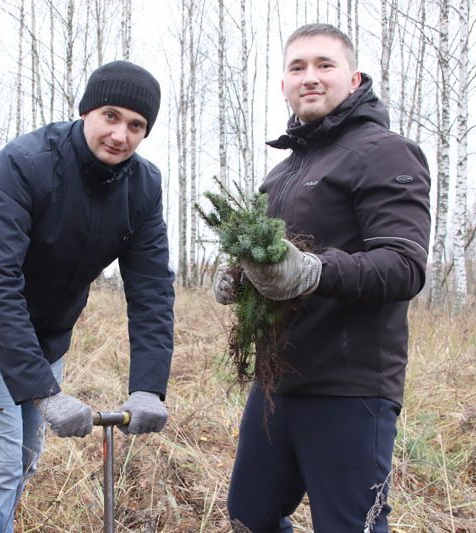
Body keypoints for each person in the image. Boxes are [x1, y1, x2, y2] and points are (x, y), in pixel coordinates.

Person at [0, 60, 175, 533]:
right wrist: (44, 391)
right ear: (86, 110)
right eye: (110, 115)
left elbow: (151, 289)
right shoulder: (26, 164)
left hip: (49, 333)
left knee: (24, 461)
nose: (120, 134)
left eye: (136, 125)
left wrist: (149, 384)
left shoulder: (143, 187)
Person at [214, 24, 431, 532]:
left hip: (348, 386)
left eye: (324, 65)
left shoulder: (385, 152)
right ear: (284, 85)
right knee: (251, 517)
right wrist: (239, 280)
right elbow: (271, 262)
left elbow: (403, 265)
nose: (310, 77)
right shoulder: (282, 172)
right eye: (297, 67)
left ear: (353, 79)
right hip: (278, 382)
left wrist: (313, 270)